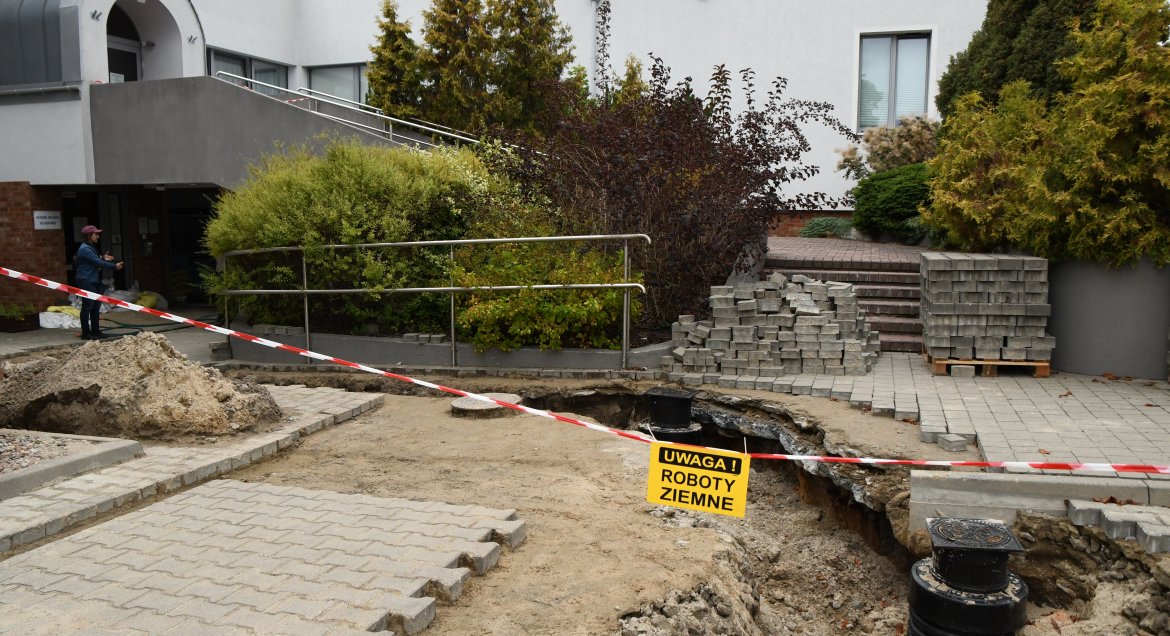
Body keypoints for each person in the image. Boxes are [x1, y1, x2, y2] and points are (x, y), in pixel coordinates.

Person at [74, 225, 122, 340]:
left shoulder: (90, 247)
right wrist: (114, 266)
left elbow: (96, 260)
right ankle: (86, 333)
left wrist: (104, 258)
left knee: (96, 306)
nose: (98, 236)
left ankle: (95, 331)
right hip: (86, 280)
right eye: (96, 234)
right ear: (89, 236)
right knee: (87, 306)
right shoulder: (85, 248)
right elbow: (97, 263)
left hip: (93, 279)